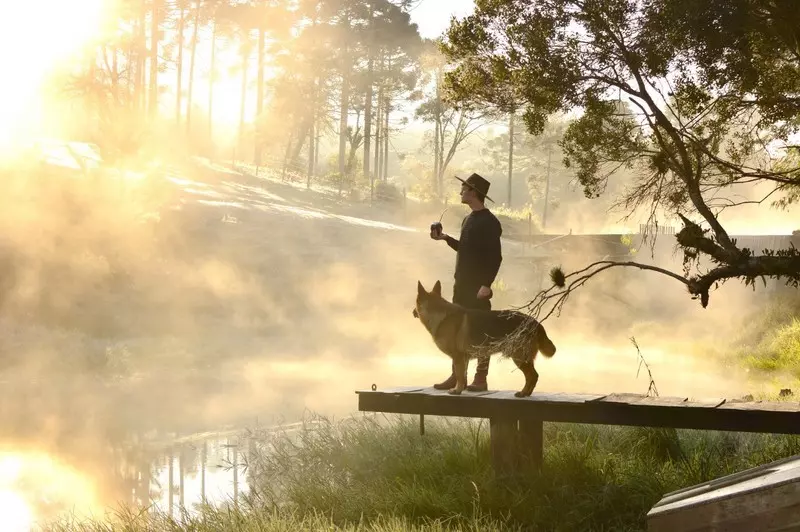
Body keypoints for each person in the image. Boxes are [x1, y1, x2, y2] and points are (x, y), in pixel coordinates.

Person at [430, 173, 503, 392]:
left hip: (478, 288)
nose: (460, 191)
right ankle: (457, 376)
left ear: (473, 192)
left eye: (463, 188)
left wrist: (486, 284)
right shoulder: (468, 219)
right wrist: (445, 239)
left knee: (480, 331)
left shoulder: (490, 222)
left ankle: (481, 378)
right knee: (457, 332)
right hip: (461, 285)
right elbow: (466, 248)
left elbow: (495, 257)